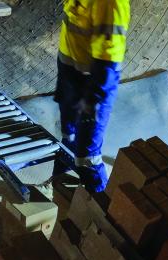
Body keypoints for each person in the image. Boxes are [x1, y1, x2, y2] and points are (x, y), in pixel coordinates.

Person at [55, 0, 130, 193]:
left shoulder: (110, 3)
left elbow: (108, 65)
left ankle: (100, 210)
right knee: (67, 140)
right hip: (71, 77)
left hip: (92, 88)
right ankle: (59, 190)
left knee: (87, 159)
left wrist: (92, 103)